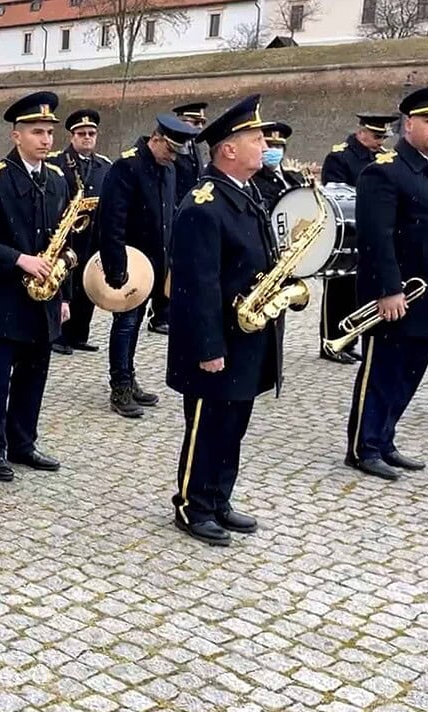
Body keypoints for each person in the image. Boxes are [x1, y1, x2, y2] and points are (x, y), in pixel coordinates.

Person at [167, 95, 292, 547]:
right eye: (257, 140)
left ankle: (219, 497)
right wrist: (208, 347)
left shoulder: (246, 193)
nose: (266, 146)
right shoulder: (204, 204)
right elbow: (195, 285)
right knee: (208, 426)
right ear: (229, 149)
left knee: (233, 424)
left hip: (247, 335)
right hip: (217, 339)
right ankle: (192, 505)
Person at [0, 91, 69, 482]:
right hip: (5, 297)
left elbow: (64, 239)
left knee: (35, 375)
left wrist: (63, 295)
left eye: (49, 132)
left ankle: (23, 443)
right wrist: (19, 259)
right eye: (37, 132)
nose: (46, 140)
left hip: (45, 297)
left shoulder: (56, 180)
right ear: (16, 135)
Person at [343, 86, 428, 481]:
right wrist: (388, 290)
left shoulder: (426, 170)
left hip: (425, 296)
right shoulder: (385, 170)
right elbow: (376, 237)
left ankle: (385, 439)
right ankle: (363, 447)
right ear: (408, 124)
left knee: (410, 373)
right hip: (396, 295)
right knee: (382, 372)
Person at [98, 114, 199, 418]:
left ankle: (129, 376)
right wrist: (116, 267)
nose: (173, 157)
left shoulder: (167, 168)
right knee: (125, 323)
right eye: (170, 150)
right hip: (130, 262)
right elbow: (112, 221)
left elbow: (169, 216)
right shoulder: (127, 166)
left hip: (154, 263)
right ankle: (120, 386)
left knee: (136, 323)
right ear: (156, 139)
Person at [319, 112, 399, 364]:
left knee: (357, 291)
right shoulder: (340, 157)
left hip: (369, 231)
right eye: (376, 137)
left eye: (383, 137)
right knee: (338, 291)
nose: (380, 142)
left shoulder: (381, 158)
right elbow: (336, 194)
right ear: (361, 132)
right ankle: (330, 342)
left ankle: (349, 340)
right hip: (347, 233)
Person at [48, 108, 111, 355]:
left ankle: (79, 334)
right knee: (64, 283)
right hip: (67, 235)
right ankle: (59, 335)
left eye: (91, 134)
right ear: (72, 136)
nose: (87, 138)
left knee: (87, 285)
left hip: (93, 235)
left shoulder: (104, 165)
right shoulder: (56, 162)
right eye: (81, 133)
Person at [149, 101, 208, 335]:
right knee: (168, 264)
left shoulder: (195, 148)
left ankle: (175, 309)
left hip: (190, 212)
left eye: (201, 123)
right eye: (194, 122)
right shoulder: (175, 147)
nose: (199, 127)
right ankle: (160, 314)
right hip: (173, 211)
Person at [252, 122, 307, 210]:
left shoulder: (296, 176)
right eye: (269, 146)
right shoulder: (253, 181)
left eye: (278, 146)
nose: (274, 150)